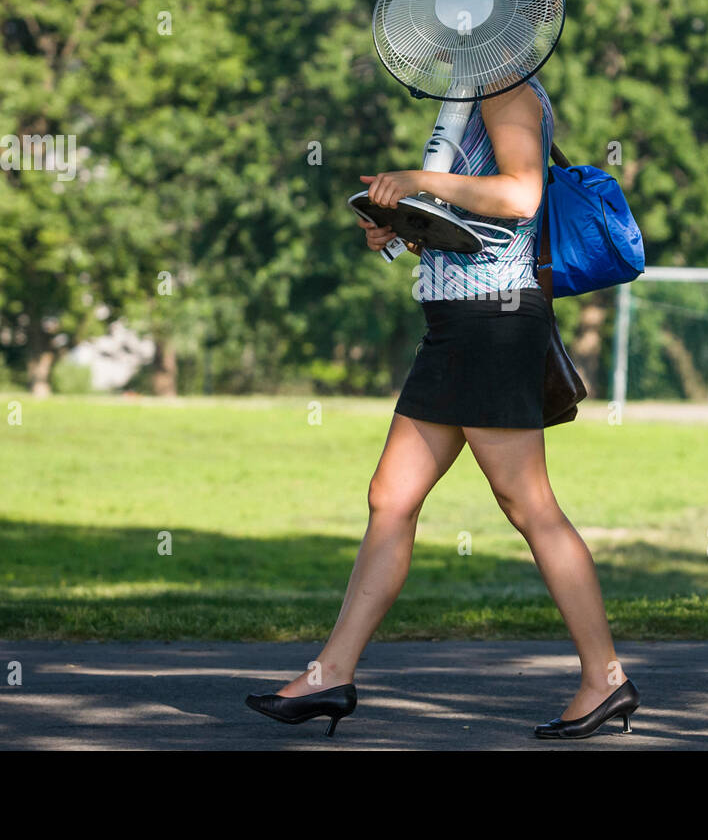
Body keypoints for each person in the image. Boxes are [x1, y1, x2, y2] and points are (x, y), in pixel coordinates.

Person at [245, 75, 639, 739]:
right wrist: (407, 227)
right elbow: (479, 221)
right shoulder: (470, 98)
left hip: (494, 321)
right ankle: (330, 674)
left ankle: (605, 679)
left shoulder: (507, 90)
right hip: (456, 325)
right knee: (390, 497)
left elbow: (520, 196)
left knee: (529, 506)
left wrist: (419, 182)